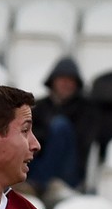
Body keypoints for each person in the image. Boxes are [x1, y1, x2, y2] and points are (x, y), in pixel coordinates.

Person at [28, 58, 97, 198]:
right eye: (61, 79)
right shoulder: (39, 106)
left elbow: (83, 142)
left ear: (76, 83)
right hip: (39, 162)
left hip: (69, 170)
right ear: (53, 81)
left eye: (70, 80)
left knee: (60, 126)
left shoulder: (87, 109)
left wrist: (52, 132)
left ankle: (41, 184)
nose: (65, 84)